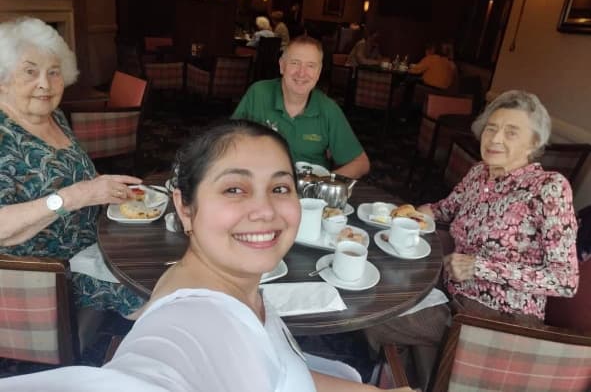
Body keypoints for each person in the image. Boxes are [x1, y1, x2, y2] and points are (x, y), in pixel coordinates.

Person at [0, 120, 413, 392]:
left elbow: (278, 369)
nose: (265, 209)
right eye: (234, 189)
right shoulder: (197, 320)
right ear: (184, 208)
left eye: (280, 187)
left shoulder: (232, 286)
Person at [366, 90, 579, 387]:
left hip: (497, 320)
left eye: (511, 132)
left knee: (376, 313)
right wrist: (409, 214)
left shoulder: (548, 188)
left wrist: (480, 267)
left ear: (534, 143)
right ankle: (386, 371)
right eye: (491, 128)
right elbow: (445, 209)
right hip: (452, 295)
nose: (495, 139)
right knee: (380, 290)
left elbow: (565, 280)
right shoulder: (479, 173)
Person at [0, 17, 144, 317]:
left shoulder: (53, 117)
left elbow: (73, 175)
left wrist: (103, 186)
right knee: (152, 291)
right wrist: (76, 196)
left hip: (96, 241)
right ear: (2, 78)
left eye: (54, 72)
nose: (45, 84)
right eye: (30, 71)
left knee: (169, 255)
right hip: (47, 272)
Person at [232, 35, 370, 179]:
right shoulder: (258, 93)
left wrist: (322, 184)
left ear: (318, 72)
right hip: (261, 185)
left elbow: (361, 163)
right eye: (295, 63)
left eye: (311, 65)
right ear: (282, 65)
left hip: (308, 197)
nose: (302, 73)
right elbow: (230, 142)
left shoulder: (329, 109)